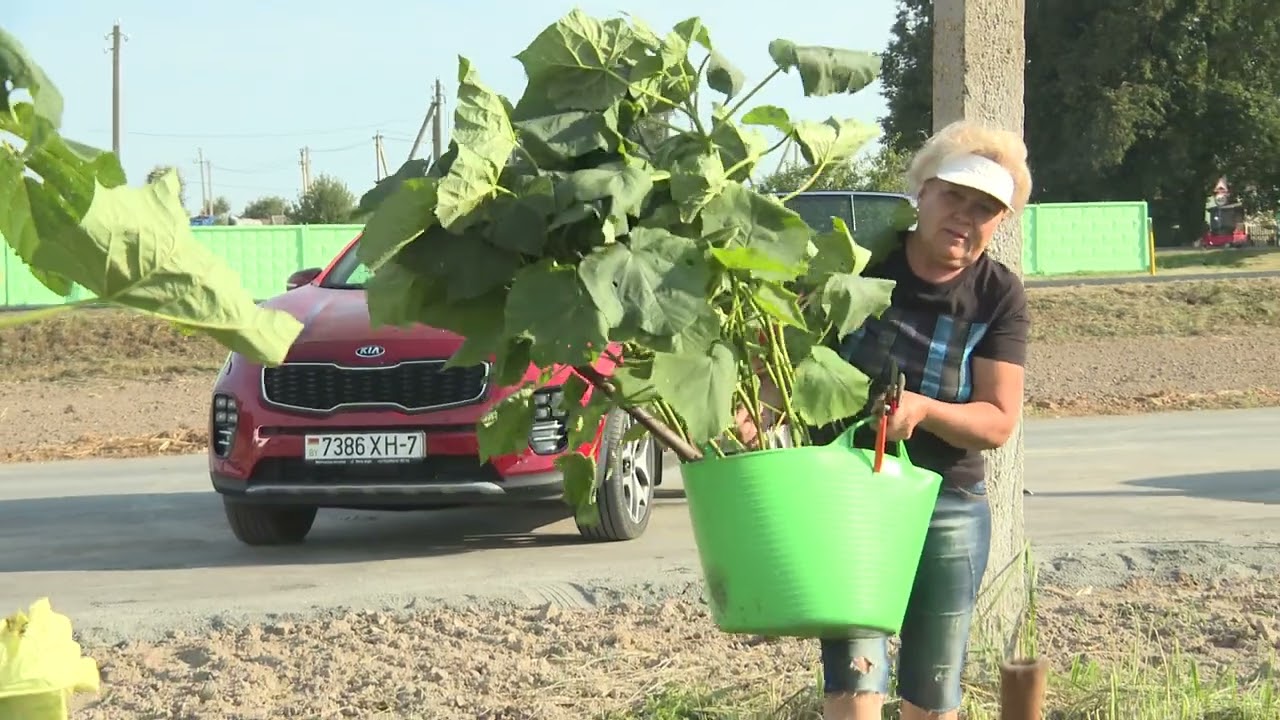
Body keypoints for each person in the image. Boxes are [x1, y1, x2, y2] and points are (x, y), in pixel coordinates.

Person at [739, 119, 1032, 720]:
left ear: (1000, 221)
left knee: (934, 685)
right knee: (854, 677)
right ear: (921, 193)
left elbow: (998, 420)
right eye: (953, 195)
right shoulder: (857, 266)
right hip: (849, 495)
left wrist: (923, 411)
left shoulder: (998, 294)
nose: (964, 216)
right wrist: (752, 414)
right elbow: (788, 364)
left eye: (985, 208)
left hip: (946, 502)